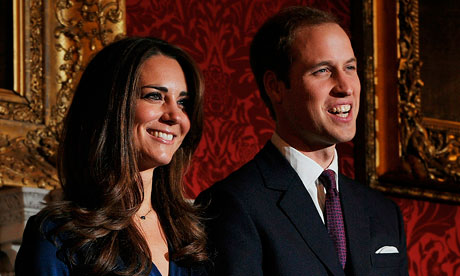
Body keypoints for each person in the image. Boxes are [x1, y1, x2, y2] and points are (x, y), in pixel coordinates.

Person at [196, 6, 408, 276]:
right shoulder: (231, 205)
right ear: (275, 86)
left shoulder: (383, 212)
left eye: (350, 67)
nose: (346, 86)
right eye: (322, 70)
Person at [15, 37, 207, 276]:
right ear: (111, 105)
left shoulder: (195, 233)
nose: (175, 116)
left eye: (182, 103)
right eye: (155, 96)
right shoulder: (58, 235)